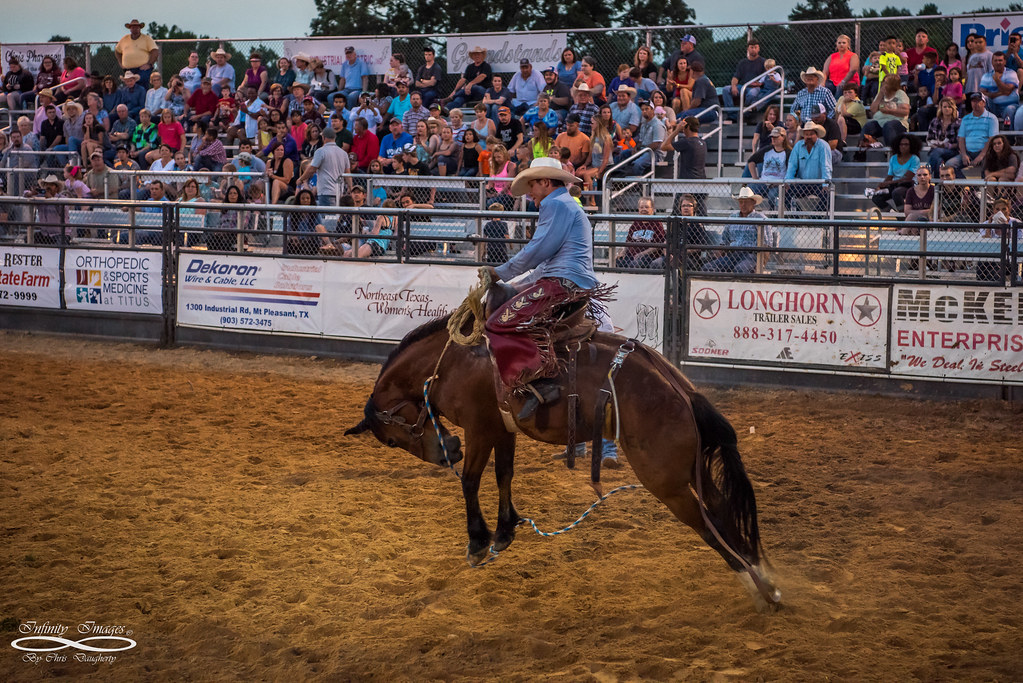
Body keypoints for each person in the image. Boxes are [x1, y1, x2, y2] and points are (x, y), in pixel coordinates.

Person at [482, 156, 602, 423]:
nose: (531, 195)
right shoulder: (564, 204)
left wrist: (500, 272)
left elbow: (538, 250)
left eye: (532, 186)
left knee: (497, 323)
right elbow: (545, 261)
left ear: (546, 182)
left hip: (562, 283)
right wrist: (514, 285)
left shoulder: (556, 205)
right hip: (566, 280)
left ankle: (542, 380)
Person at [703, 187, 769, 273]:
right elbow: (724, 240)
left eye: (746, 202)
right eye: (741, 202)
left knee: (741, 269)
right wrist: (720, 251)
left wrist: (762, 263)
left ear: (753, 203)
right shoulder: (732, 217)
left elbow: (766, 244)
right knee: (708, 267)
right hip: (733, 254)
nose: (743, 205)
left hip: (751, 255)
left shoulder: (761, 218)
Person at [297, 126, 352, 209]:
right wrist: (350, 187)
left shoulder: (320, 151)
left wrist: (301, 179)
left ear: (323, 137)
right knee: (335, 217)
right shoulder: (343, 153)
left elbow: (312, 169)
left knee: (327, 218)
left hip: (325, 190)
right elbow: (348, 173)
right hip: (339, 191)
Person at [868, 133, 921, 214]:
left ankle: (904, 216)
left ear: (911, 146)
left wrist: (888, 183)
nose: (903, 146)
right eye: (901, 144)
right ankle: (896, 215)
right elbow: (890, 175)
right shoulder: (893, 158)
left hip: (909, 186)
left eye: (906, 144)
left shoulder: (914, 159)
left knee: (896, 193)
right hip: (894, 185)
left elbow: (908, 178)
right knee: (876, 197)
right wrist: (880, 186)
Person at [947, 93, 998, 177]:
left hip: (986, 153)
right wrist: (963, 154)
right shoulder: (966, 118)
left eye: (979, 101)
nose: (976, 104)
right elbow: (961, 138)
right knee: (949, 165)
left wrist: (981, 155)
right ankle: (966, 187)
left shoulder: (992, 118)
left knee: (988, 164)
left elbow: (992, 138)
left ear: (984, 103)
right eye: (973, 101)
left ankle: (983, 189)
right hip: (968, 153)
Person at [785, 121, 832, 211]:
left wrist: (825, 183)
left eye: (811, 134)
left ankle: (813, 220)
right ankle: (797, 219)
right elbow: (792, 165)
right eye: (806, 134)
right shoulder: (798, 146)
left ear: (817, 135)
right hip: (802, 183)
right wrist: (788, 181)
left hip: (819, 183)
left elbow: (826, 165)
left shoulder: (823, 146)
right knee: (786, 193)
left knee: (828, 195)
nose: (809, 137)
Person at [859, 75, 910, 150]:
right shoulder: (881, 93)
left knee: (888, 126)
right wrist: (880, 94)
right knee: (868, 126)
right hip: (880, 123)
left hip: (898, 123)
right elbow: (873, 109)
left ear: (893, 84)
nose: (883, 84)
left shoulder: (900, 94)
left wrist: (889, 111)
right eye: (883, 82)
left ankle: (891, 151)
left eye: (886, 83)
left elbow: (905, 111)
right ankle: (860, 152)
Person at [746, 126, 790, 210]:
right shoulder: (767, 150)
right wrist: (755, 178)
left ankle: (773, 215)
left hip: (778, 184)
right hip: (763, 182)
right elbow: (751, 161)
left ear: (783, 137)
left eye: (776, 137)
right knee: (748, 191)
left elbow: (790, 171)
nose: (773, 139)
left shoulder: (788, 152)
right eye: (772, 137)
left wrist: (781, 183)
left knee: (773, 196)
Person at [615, 196, 664, 268]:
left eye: (647, 207)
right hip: (632, 255)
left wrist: (642, 254)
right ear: (638, 210)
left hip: (649, 256)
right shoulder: (636, 223)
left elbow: (658, 245)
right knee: (618, 261)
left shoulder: (657, 223)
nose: (644, 209)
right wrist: (623, 252)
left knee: (635, 264)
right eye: (641, 207)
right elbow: (628, 241)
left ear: (652, 210)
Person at [721, 39, 769, 109]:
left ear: (759, 49)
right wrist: (734, 86)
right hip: (743, 86)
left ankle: (745, 113)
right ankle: (732, 115)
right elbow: (736, 77)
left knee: (752, 94)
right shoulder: (742, 63)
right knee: (726, 89)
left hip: (756, 88)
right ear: (748, 49)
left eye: (755, 47)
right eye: (751, 47)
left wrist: (759, 84)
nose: (753, 49)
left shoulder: (764, 62)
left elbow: (767, 78)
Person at [115, 19, 158, 87]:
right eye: (132, 27)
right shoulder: (124, 39)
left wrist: (149, 64)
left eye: (137, 27)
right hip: (128, 69)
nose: (135, 28)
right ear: (130, 28)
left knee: (141, 84)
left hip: (142, 69)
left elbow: (155, 51)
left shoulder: (147, 38)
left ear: (140, 28)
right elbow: (117, 51)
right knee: (130, 87)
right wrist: (121, 63)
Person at [980, 52, 1020, 124]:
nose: (998, 63)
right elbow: (983, 93)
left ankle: (1010, 135)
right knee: (982, 100)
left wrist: (997, 80)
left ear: (1005, 62)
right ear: (992, 62)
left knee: (1010, 109)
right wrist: (1001, 93)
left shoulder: (1011, 73)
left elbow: (1007, 90)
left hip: (1009, 105)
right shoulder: (986, 75)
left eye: (1000, 60)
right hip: (993, 106)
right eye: (995, 60)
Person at [926, 97, 960, 175]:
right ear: (941, 108)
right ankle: (940, 185)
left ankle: (928, 174)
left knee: (937, 152)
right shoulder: (935, 121)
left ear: (953, 108)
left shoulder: (958, 122)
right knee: (938, 161)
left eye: (949, 107)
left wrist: (946, 145)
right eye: (944, 107)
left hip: (952, 151)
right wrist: (935, 143)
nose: (947, 109)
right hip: (935, 150)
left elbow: (959, 143)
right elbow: (929, 138)